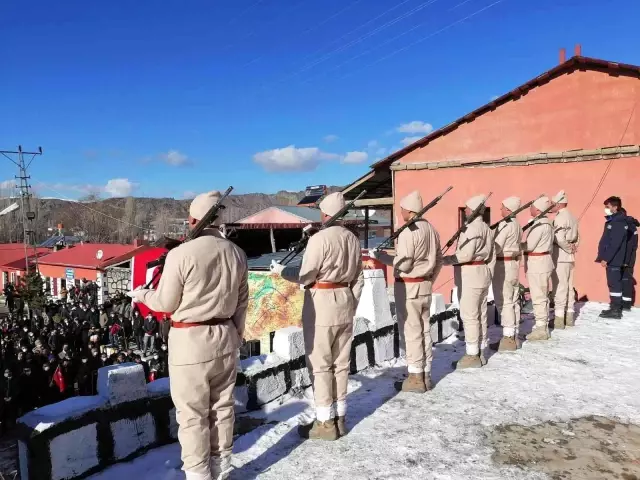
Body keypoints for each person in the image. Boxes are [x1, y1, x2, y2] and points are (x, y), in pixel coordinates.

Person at [128, 190, 248, 480]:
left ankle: (198, 475)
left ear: (193, 219)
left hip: (191, 342)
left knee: (192, 416)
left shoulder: (182, 254)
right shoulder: (237, 253)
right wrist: (236, 336)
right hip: (226, 335)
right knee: (222, 408)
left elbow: (166, 303)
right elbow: (242, 303)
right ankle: (222, 470)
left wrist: (142, 294)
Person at [271, 191, 364, 440]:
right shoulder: (353, 240)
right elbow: (359, 278)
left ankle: (325, 423)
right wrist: (350, 303)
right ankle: (340, 417)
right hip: (345, 300)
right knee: (341, 363)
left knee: (321, 364)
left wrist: (282, 271)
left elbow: (306, 274)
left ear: (326, 213)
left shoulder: (320, 239)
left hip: (322, 302)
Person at [369, 191, 442, 392]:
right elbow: (439, 260)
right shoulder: (431, 229)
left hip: (409, 286)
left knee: (411, 332)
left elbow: (405, 263)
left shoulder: (409, 231)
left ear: (409, 210)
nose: (400, 212)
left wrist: (382, 258)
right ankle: (425, 373)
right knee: (424, 330)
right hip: (424, 285)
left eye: (401, 208)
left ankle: (415, 377)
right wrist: (428, 280)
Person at [443, 195, 493, 368]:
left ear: (473, 210)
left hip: (471, 273)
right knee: (481, 313)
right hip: (482, 271)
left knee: (470, 315)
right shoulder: (486, 227)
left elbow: (465, 255)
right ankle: (481, 349)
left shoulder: (471, 228)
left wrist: (445, 260)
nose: (465, 210)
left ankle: (472, 354)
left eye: (467, 208)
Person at [491, 196, 523, 351]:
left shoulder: (506, 225)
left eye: (503, 207)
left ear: (509, 209)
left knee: (504, 301)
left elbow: (496, 246)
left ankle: (508, 337)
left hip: (503, 264)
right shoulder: (516, 224)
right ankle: (514, 334)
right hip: (513, 264)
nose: (500, 210)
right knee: (514, 300)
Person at [522, 196, 555, 340]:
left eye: (532, 207)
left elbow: (529, 245)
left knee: (538, 296)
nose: (530, 209)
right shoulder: (546, 224)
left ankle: (541, 328)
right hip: (543, 261)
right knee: (541, 295)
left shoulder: (540, 225)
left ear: (538, 209)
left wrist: (515, 245)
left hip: (538, 263)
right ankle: (541, 325)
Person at [551, 190, 580, 329]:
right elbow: (578, 237)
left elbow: (559, 238)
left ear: (558, 204)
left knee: (559, 287)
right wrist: (573, 248)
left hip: (561, 255)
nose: (552, 206)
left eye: (553, 203)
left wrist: (568, 248)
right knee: (568, 286)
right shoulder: (572, 217)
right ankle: (569, 315)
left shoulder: (561, 217)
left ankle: (559, 318)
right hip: (570, 255)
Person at [596, 196, 629, 319]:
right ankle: (614, 307)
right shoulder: (615, 220)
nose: (606, 209)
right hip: (613, 259)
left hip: (614, 259)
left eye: (608, 206)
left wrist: (606, 258)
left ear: (615, 207)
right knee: (613, 284)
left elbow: (615, 243)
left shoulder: (618, 222)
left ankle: (616, 310)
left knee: (614, 284)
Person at [621, 208, 638, 311]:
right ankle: (624, 303)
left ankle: (626, 304)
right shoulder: (630, 225)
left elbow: (630, 245)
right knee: (624, 280)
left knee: (626, 280)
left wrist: (626, 261)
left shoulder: (629, 226)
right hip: (627, 258)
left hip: (627, 259)